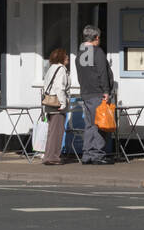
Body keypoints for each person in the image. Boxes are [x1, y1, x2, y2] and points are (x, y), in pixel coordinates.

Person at [76, 25, 114, 164]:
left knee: (89, 125)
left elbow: (81, 75)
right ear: (96, 38)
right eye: (99, 38)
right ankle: (98, 155)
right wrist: (106, 91)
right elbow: (103, 73)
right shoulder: (97, 52)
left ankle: (87, 155)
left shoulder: (80, 54)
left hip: (85, 93)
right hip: (97, 93)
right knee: (99, 124)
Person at [40, 49, 70, 165]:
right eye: (66, 55)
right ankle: (52, 158)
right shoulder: (61, 69)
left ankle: (48, 156)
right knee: (57, 132)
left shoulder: (51, 69)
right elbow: (59, 87)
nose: (67, 57)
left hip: (49, 103)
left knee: (52, 131)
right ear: (61, 57)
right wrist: (63, 103)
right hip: (57, 104)